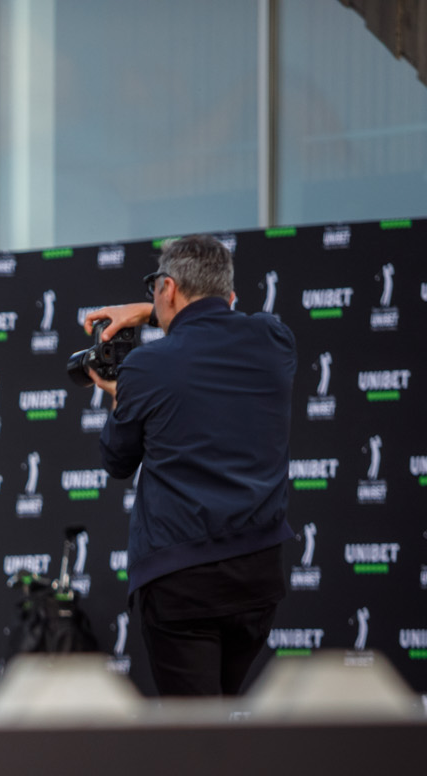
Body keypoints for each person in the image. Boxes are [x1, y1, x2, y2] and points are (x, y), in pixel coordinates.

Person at [82, 234, 296, 697]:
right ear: (230, 294)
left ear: (168, 288)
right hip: (258, 578)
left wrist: (122, 396)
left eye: (155, 288)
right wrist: (151, 310)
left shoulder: (145, 367)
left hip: (181, 582)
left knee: (195, 730)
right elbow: (223, 320)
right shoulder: (276, 340)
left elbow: (117, 459)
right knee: (218, 719)